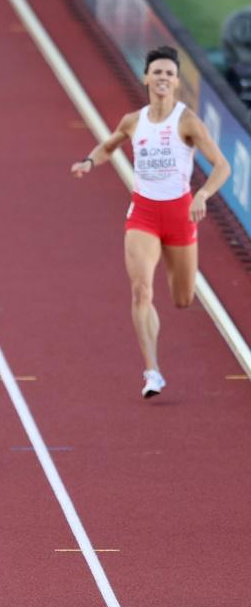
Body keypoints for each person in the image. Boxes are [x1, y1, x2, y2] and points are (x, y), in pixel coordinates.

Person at [71, 45, 230, 398]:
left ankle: (155, 363)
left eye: (169, 74)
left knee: (183, 299)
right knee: (141, 289)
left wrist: (202, 195)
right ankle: (152, 371)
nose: (163, 78)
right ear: (146, 78)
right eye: (157, 72)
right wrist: (88, 161)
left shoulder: (187, 121)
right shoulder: (133, 120)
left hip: (179, 215)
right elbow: (109, 145)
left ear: (176, 82)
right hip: (143, 214)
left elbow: (222, 166)